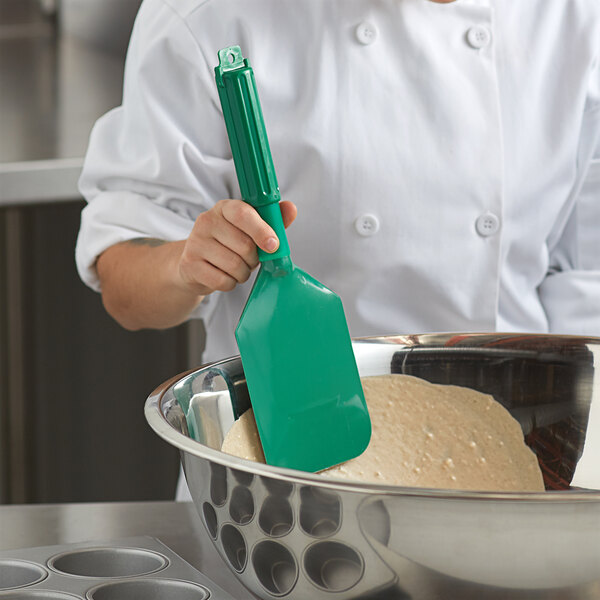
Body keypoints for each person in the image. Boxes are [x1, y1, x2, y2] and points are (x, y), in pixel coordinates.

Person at [75, 0, 600, 500]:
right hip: (284, 484)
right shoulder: (210, 14)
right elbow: (126, 280)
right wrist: (186, 265)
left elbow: (585, 281)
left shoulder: (575, 17)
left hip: (524, 472)